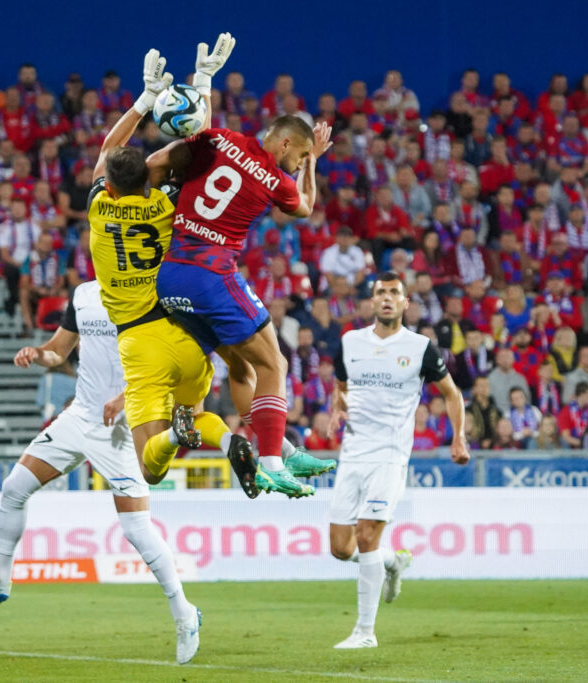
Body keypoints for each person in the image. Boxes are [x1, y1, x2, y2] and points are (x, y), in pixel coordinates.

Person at [87, 44, 330, 498]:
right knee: (271, 363)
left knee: (239, 371)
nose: (296, 162)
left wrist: (150, 101)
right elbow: (304, 205)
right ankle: (274, 458)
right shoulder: (171, 203)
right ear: (285, 145)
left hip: (160, 302)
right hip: (204, 281)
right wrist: (202, 82)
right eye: (297, 155)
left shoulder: (105, 207)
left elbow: (142, 150)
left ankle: (271, 444)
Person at [0, 277, 202, 665]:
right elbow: (58, 351)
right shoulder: (83, 294)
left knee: (136, 527)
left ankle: (185, 614)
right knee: (14, 486)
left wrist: (123, 398)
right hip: (81, 414)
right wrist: (37, 353)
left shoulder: (150, 293)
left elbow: (166, 361)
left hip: (122, 423)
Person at [326, 272, 469, 649]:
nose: (387, 298)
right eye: (380, 293)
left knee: (367, 534)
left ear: (406, 303)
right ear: (371, 302)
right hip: (352, 454)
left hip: (390, 455)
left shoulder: (421, 347)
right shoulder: (350, 342)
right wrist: (337, 408)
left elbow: (453, 395)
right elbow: (341, 383)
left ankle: (364, 632)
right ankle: (392, 562)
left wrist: (459, 437)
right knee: (341, 548)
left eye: (394, 293)